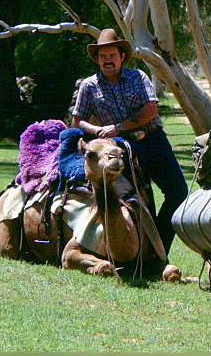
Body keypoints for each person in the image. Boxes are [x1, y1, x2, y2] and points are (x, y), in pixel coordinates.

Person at [71, 28, 187, 254]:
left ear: (122, 57)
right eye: (103, 57)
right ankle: (136, 252)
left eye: (112, 55)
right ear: (98, 59)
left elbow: (150, 110)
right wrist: (97, 130)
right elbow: (77, 121)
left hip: (153, 141)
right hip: (118, 149)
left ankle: (158, 248)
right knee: (139, 199)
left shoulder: (138, 77)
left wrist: (118, 127)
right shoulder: (89, 85)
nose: (108, 61)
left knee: (178, 193)